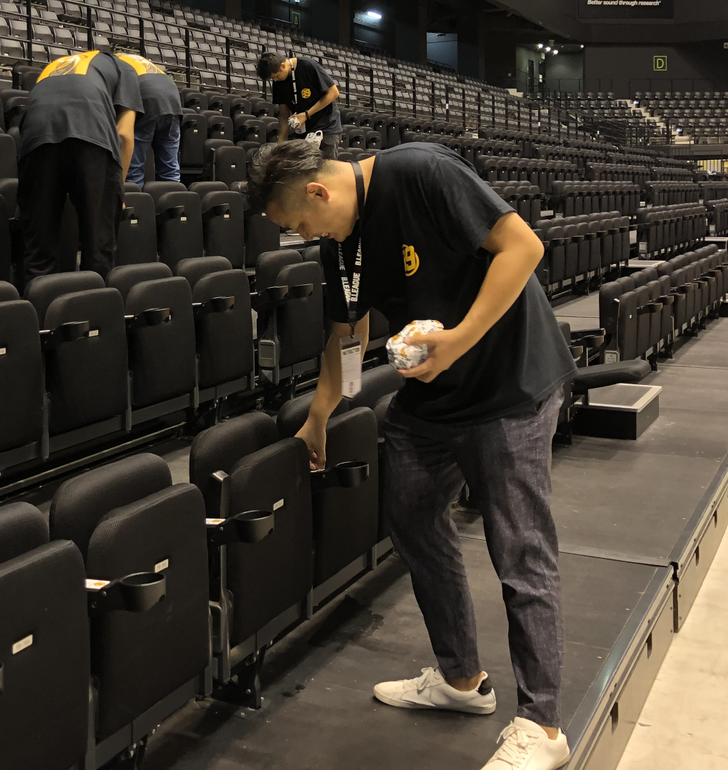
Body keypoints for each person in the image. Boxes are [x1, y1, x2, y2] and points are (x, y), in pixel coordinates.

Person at [246, 139, 577, 770]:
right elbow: (348, 334)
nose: (303, 236)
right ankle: (461, 680)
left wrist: (459, 339)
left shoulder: (423, 172)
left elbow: (524, 248)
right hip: (433, 398)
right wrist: (319, 415)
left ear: (318, 190)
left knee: (520, 549)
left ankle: (543, 726)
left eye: (299, 223)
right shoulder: (341, 245)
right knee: (411, 514)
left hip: (509, 385)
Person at [17, 48, 142, 280]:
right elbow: (124, 134)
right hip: (91, 133)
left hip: (36, 136)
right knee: (98, 248)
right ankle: (94, 300)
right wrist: (118, 192)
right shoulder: (124, 67)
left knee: (39, 250)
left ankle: (38, 300)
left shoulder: (55, 65)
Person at [257, 50, 343, 157]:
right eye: (273, 78)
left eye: (276, 76)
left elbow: (333, 93)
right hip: (304, 132)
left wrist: (306, 115)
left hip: (326, 127)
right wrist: (281, 140)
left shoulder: (308, 65)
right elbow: (283, 114)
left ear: (282, 66)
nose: (275, 80)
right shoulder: (278, 82)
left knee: (327, 166)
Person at [116, 51, 183, 186]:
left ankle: (133, 197)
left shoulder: (114, 62)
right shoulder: (140, 60)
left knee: (133, 171)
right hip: (172, 102)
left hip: (147, 101)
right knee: (170, 170)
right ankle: (175, 197)